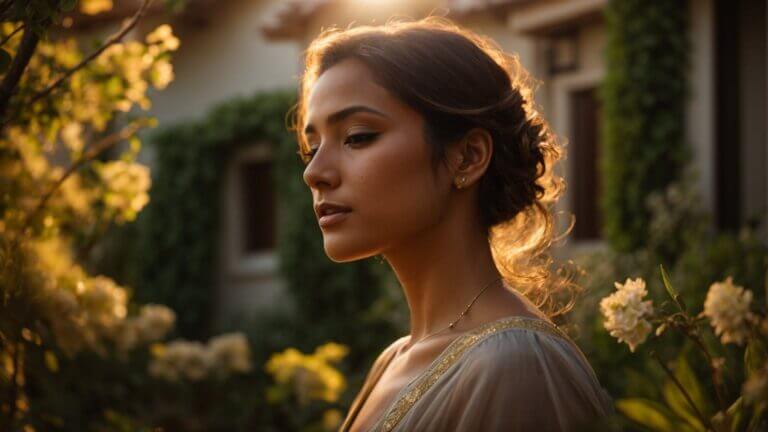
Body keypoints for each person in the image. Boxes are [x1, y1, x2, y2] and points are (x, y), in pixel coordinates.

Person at [292, 16, 614, 432]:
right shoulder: (393, 360)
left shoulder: (516, 365)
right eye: (312, 147)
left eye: (357, 136)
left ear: (468, 157)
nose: (314, 173)